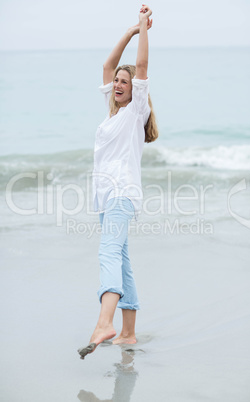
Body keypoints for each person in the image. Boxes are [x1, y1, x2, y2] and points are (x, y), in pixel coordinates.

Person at [78, 4, 158, 359]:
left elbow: (139, 67)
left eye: (126, 83)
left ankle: (103, 322)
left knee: (108, 252)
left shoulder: (134, 113)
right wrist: (128, 32)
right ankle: (127, 333)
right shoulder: (111, 115)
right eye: (118, 83)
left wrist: (143, 29)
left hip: (121, 195)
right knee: (121, 258)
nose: (119, 84)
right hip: (106, 198)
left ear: (135, 90)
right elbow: (109, 66)